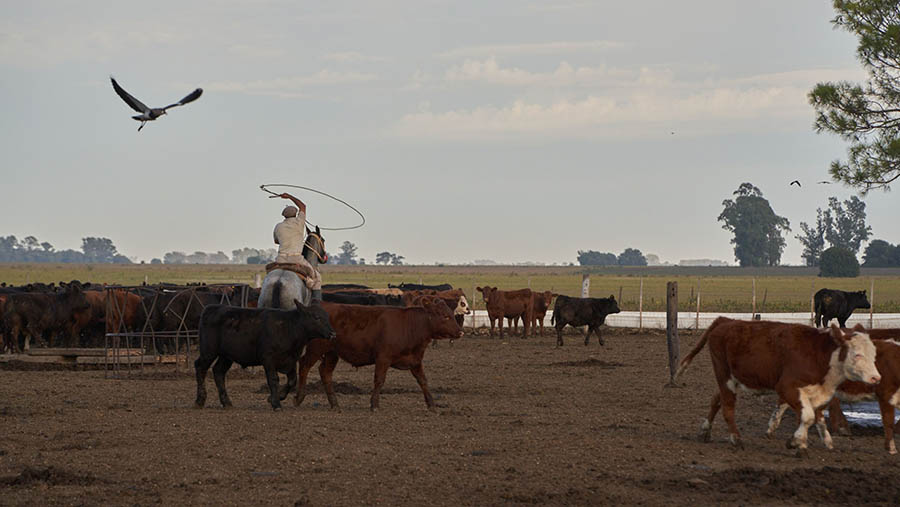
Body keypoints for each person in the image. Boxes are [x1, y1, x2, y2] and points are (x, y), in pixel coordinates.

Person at [271, 192, 322, 302]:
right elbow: (303, 206)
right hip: (296, 258)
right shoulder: (299, 222)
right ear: (295, 214)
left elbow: (276, 241)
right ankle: (317, 305)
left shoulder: (278, 226)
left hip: (280, 259)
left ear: (284, 215)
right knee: (317, 278)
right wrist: (289, 196)